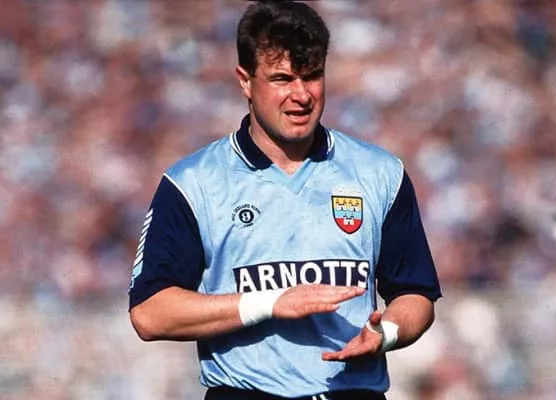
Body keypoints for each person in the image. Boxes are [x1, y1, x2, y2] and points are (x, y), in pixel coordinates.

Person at [128, 1, 442, 399]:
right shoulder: (193, 183)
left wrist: (388, 333)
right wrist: (270, 303)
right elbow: (150, 313)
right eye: (282, 79)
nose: (301, 95)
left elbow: (416, 294)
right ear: (245, 81)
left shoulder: (379, 173)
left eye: (312, 76)